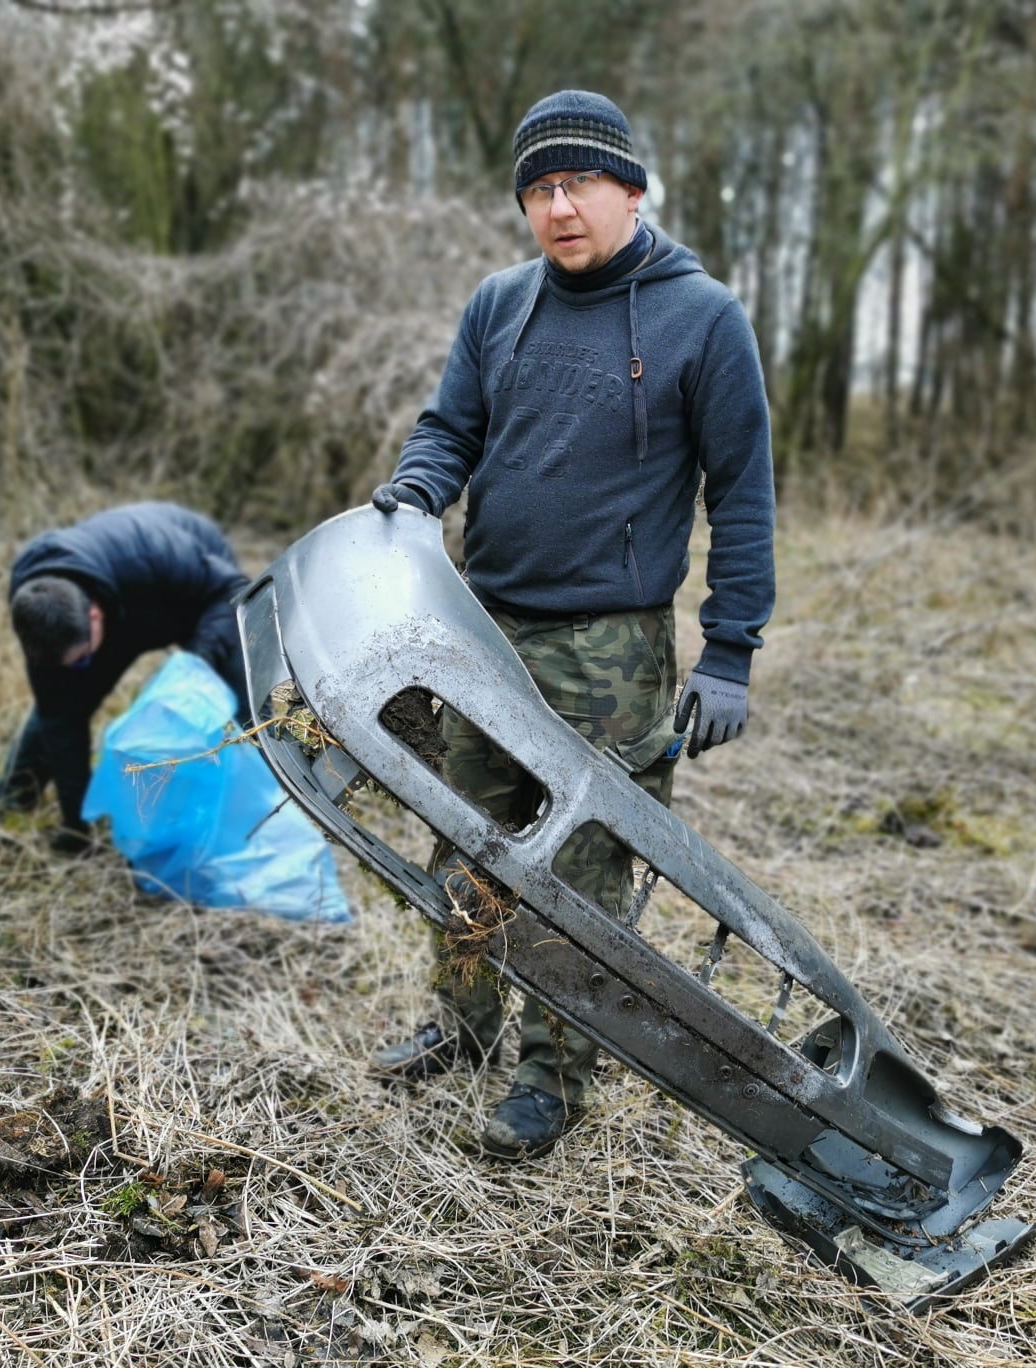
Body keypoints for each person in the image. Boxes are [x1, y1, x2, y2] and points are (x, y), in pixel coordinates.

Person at [368, 90, 776, 1159]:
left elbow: (743, 497)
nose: (559, 208)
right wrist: (416, 494)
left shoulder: (703, 319)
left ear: (631, 190)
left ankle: (555, 1078)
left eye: (579, 184)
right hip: (482, 626)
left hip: (613, 649)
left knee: (581, 872)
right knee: (465, 836)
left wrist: (729, 651)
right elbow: (450, 427)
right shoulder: (500, 304)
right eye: (539, 189)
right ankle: (461, 1024)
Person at [0, 502, 251, 852]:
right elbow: (62, 722)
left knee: (239, 701)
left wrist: (197, 664)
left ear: (94, 615)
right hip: (117, 610)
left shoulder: (151, 555)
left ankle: (255, 804)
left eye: (81, 660)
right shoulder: (43, 620)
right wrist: (76, 826)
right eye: (71, 663)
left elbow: (232, 589)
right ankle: (11, 798)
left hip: (193, 593)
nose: (79, 670)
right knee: (59, 705)